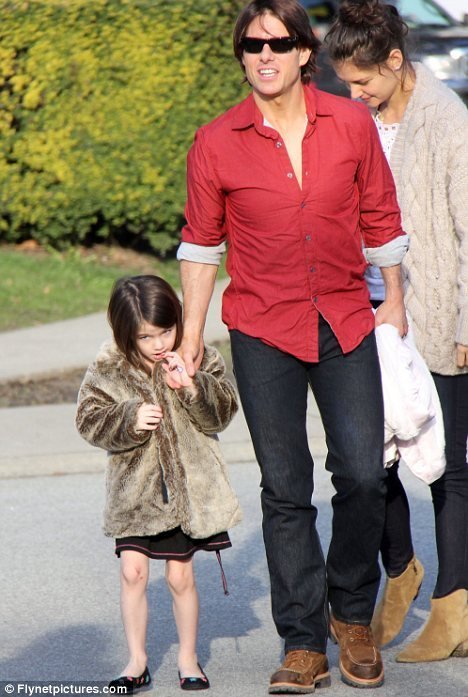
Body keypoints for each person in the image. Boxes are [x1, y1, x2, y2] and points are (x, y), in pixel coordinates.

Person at [177, 0, 410, 691]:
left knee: (363, 473)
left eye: (278, 44)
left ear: (305, 53)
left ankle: (352, 613)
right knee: (285, 487)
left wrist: (395, 298)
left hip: (345, 318)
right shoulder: (216, 141)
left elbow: (380, 214)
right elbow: (201, 245)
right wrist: (190, 337)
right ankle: (303, 640)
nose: (264, 56)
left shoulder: (351, 124)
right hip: (262, 328)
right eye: (252, 45)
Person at [325, 0, 468, 663]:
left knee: (447, 468)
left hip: (437, 313)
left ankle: (453, 607)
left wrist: (467, 321)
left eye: (363, 81)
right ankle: (402, 567)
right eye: (347, 83)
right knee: (368, 460)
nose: (355, 94)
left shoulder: (447, 120)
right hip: (365, 312)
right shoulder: (358, 119)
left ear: (393, 60)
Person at [75, 274, 241, 692]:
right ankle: (137, 661)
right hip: (135, 495)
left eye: (165, 331)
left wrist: (192, 388)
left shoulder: (195, 353)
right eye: (146, 337)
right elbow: (88, 419)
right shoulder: (110, 364)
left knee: (180, 577)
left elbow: (223, 411)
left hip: (186, 493)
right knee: (132, 573)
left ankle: (188, 657)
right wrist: (127, 417)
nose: (159, 344)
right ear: (125, 332)